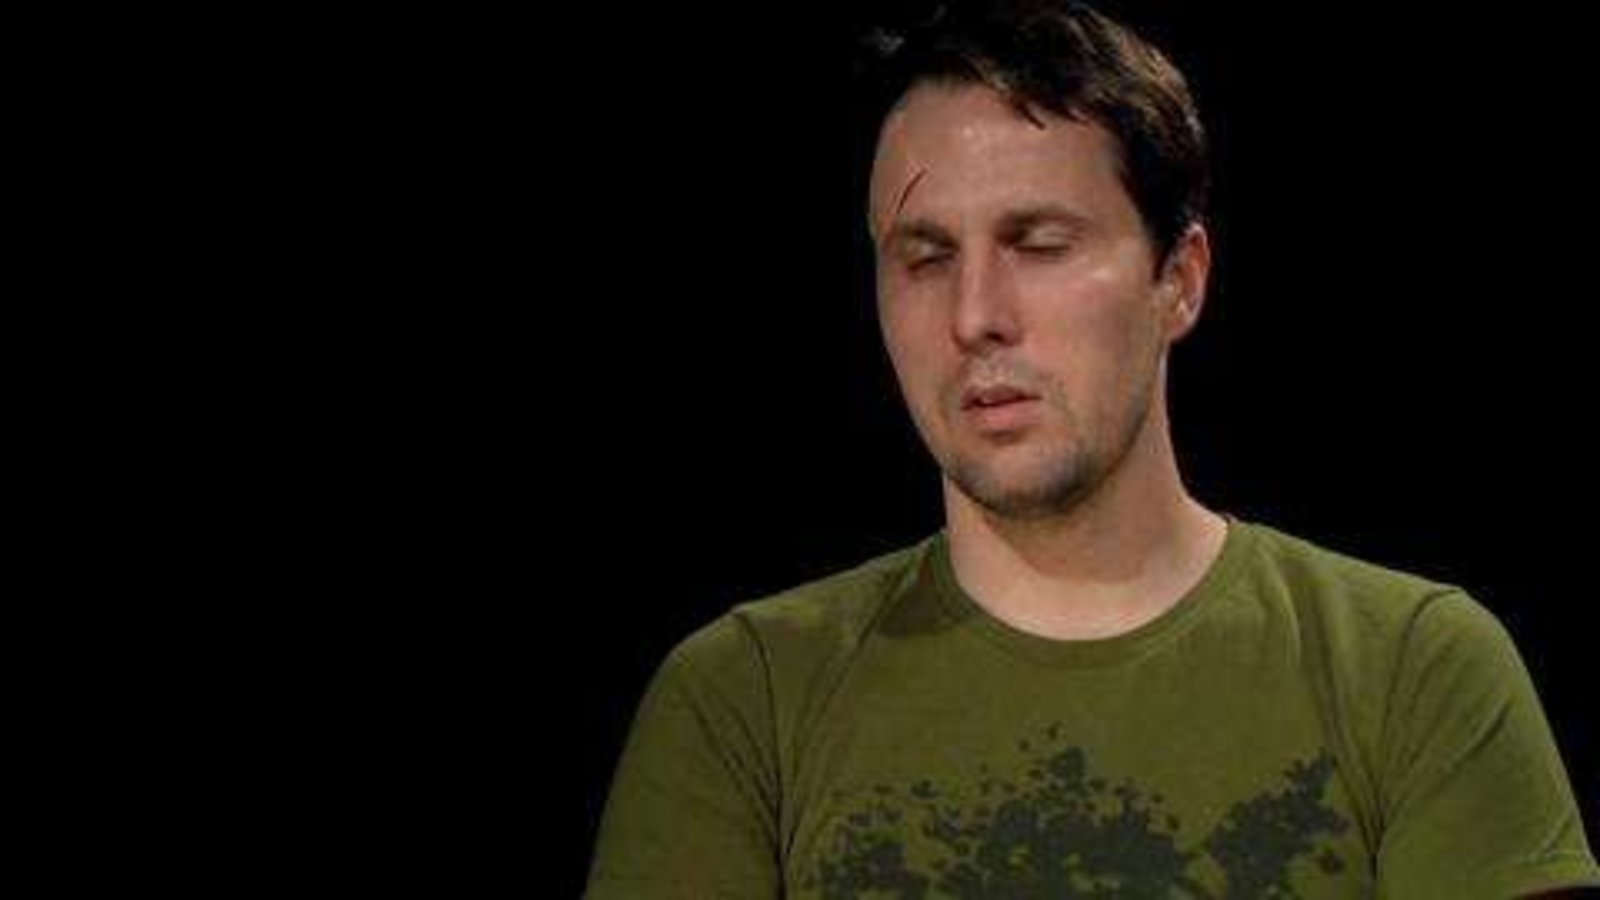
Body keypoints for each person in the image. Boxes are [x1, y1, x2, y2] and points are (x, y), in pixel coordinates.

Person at [583, 1, 1599, 896]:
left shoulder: (1409, 670)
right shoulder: (746, 701)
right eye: (925, 258)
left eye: (1039, 245)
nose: (975, 316)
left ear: (1179, 279)